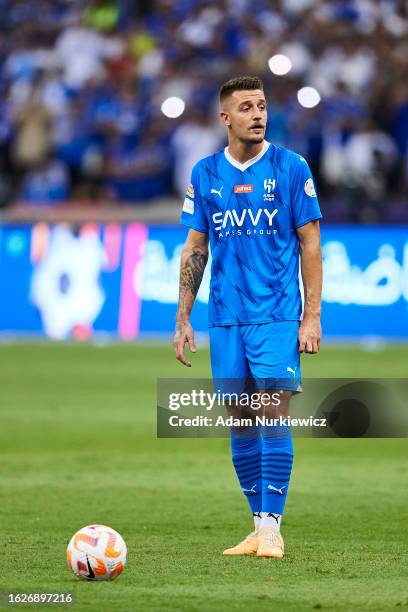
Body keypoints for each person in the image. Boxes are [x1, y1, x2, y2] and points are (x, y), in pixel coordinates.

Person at [173, 76, 322, 558]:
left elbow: (310, 243)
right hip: (226, 317)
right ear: (225, 118)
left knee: (273, 415)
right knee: (240, 422)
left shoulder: (291, 167)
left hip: (277, 314)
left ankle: (274, 527)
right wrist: (183, 317)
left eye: (261, 106)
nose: (257, 114)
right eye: (246, 107)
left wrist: (311, 316)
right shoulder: (205, 173)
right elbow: (195, 248)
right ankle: (258, 525)